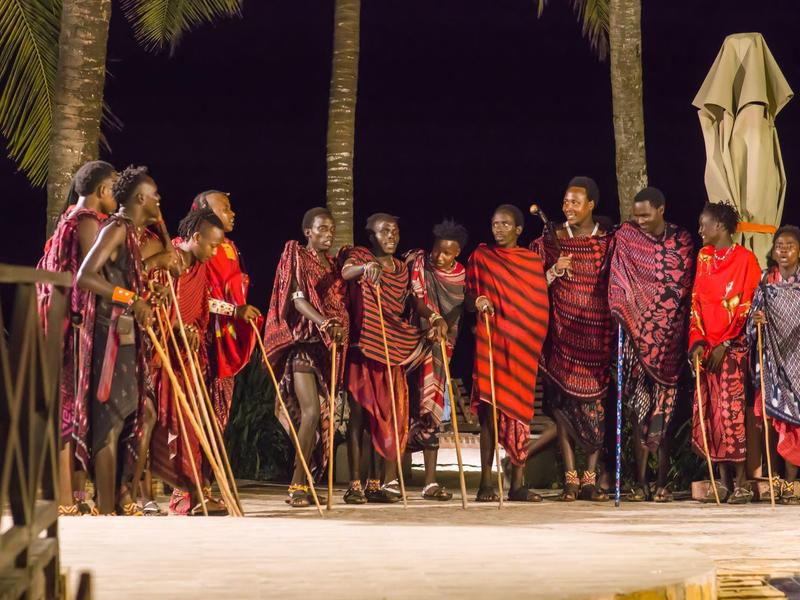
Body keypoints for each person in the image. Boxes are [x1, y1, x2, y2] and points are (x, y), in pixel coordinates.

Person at [75, 165, 161, 515]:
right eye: (155, 197)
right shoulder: (116, 228)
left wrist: (144, 295)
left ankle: (117, 498)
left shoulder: (130, 234)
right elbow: (85, 277)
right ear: (141, 198)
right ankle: (108, 505)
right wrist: (131, 299)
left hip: (126, 334)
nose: (159, 203)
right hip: (111, 335)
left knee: (136, 415)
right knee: (110, 421)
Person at [37, 160, 118, 515]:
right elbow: (93, 269)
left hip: (64, 322)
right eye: (114, 188)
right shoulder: (86, 222)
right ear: (102, 191)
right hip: (73, 326)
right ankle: (65, 499)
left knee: (69, 407)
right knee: (68, 409)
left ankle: (73, 496)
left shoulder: (69, 218)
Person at [609, 187, 694, 502]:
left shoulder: (682, 241)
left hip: (669, 340)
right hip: (633, 336)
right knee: (637, 410)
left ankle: (662, 483)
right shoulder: (627, 237)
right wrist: (621, 306)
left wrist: (655, 317)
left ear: (661, 209)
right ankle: (639, 482)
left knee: (666, 414)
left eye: (646, 214)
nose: (640, 220)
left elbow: (678, 287)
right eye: (637, 214)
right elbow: (619, 278)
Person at [531, 177, 613, 502]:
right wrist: (553, 271)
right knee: (564, 411)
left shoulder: (607, 242)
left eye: (576, 202)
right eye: (566, 202)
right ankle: (570, 479)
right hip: (562, 338)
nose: (569, 208)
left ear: (591, 204)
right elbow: (530, 282)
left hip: (595, 338)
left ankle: (590, 480)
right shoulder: (551, 241)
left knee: (595, 411)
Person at [263, 207, 348, 507]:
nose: (328, 234)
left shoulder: (336, 266)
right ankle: (296, 483)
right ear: (307, 231)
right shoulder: (296, 256)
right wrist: (323, 321)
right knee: (310, 413)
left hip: (329, 350)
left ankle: (309, 480)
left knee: (323, 420)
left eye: (331, 229)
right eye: (321, 229)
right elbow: (297, 299)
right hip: (304, 344)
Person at [467, 204, 549, 502]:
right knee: (488, 415)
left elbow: (539, 306)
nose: (498, 229)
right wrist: (478, 300)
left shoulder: (530, 262)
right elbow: (467, 297)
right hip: (491, 343)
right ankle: (485, 483)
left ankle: (517, 483)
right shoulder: (481, 257)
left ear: (518, 229)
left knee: (521, 416)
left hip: (521, 351)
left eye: (505, 224)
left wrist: (530, 340)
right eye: (494, 223)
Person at [149, 208, 227, 515]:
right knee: (175, 427)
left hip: (188, 358)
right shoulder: (170, 262)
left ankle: (194, 494)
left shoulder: (200, 268)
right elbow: (157, 308)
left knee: (195, 428)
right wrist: (177, 328)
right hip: (163, 357)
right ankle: (182, 495)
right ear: (194, 238)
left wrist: (192, 330)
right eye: (211, 245)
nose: (215, 251)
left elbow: (199, 315)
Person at [342, 213, 424, 504]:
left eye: (395, 231)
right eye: (384, 231)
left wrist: (434, 318)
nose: (391, 236)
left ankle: (377, 484)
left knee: (387, 418)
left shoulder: (402, 268)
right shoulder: (360, 256)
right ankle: (354, 484)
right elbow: (346, 272)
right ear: (371, 236)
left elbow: (415, 302)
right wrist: (366, 267)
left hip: (392, 349)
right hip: (363, 350)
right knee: (360, 417)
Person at [689, 201, 760, 504]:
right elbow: (696, 303)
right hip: (707, 350)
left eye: (704, 224)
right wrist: (698, 343)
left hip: (733, 349)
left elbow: (749, 306)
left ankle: (742, 481)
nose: (700, 229)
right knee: (709, 414)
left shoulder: (746, 260)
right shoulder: (703, 258)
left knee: (730, 413)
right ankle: (722, 481)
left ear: (719, 226)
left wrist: (726, 343)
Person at [404, 220, 468, 501]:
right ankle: (392, 479)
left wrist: (441, 326)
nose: (440, 257)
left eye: (448, 253)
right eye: (438, 250)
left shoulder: (460, 276)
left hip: (440, 346)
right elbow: (417, 300)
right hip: (411, 343)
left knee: (432, 409)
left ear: (457, 254)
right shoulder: (419, 263)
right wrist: (432, 318)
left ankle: (430, 482)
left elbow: (456, 313)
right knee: (405, 407)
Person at [190, 191, 261, 431]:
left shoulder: (231, 248)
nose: (232, 213)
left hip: (224, 341)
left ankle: (210, 468)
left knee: (217, 422)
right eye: (226, 208)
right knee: (193, 416)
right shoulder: (189, 247)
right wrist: (233, 310)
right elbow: (194, 297)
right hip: (196, 340)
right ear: (205, 212)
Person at [748, 225, 800, 504]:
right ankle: (778, 479)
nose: (783, 249)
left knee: (796, 424)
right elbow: (752, 315)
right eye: (779, 244)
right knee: (776, 422)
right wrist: (755, 321)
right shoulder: (766, 280)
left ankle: (793, 483)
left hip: (798, 362)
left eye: (790, 245)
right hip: (774, 360)